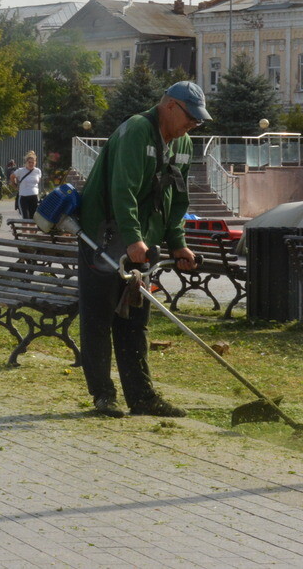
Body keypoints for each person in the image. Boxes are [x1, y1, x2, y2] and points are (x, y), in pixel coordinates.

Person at [76, 81, 209, 418]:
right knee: (98, 319)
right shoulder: (137, 130)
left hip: (143, 245)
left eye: (199, 119)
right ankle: (104, 396)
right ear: (170, 106)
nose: (194, 123)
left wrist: (178, 244)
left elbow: (177, 199)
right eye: (191, 116)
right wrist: (133, 238)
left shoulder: (183, 143)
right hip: (104, 238)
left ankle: (142, 398)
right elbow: (123, 189)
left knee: (135, 320)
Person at [10, 151, 42, 220]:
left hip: (34, 197)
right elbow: (12, 176)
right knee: (25, 219)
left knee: (33, 219)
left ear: (35, 163)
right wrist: (15, 185)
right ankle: (24, 227)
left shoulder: (38, 171)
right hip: (24, 197)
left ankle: (32, 227)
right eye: (29, 162)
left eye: (33, 162)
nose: (31, 164)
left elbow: (37, 181)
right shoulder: (21, 171)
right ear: (26, 162)